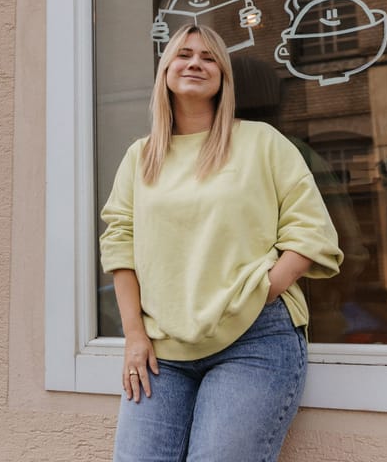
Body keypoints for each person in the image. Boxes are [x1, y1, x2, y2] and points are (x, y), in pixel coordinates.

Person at [100, 24, 343, 461]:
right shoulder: (141, 156)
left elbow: (310, 231)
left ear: (224, 78)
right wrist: (134, 335)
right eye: (184, 55)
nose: (196, 63)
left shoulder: (261, 142)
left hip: (255, 341)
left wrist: (258, 295)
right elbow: (120, 245)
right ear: (166, 71)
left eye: (209, 58)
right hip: (162, 349)